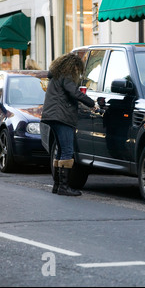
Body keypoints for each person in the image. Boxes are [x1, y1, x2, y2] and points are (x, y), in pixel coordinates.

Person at [41, 53, 95, 196]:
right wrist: (91, 103)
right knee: (67, 151)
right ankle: (64, 187)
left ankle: (57, 186)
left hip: (52, 116)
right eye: (78, 68)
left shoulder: (56, 76)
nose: (78, 72)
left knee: (60, 151)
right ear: (73, 66)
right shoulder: (67, 76)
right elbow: (74, 93)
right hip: (61, 117)